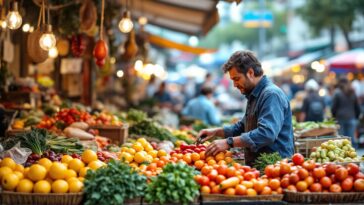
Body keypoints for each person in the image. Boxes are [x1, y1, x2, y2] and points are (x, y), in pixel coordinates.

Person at [197, 50, 294, 166]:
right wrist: (215, 132)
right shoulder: (254, 94)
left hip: (277, 168)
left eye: (236, 79)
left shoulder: (271, 95)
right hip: (260, 167)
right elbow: (243, 127)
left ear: (250, 73)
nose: (234, 85)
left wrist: (228, 142)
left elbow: (266, 133)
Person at [332, 77, 361, 148]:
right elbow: (357, 106)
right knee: (351, 138)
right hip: (351, 117)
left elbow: (334, 107)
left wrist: (334, 116)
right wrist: (356, 116)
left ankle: (343, 155)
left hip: (340, 117)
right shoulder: (352, 91)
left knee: (341, 139)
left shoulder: (337, 92)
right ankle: (353, 155)